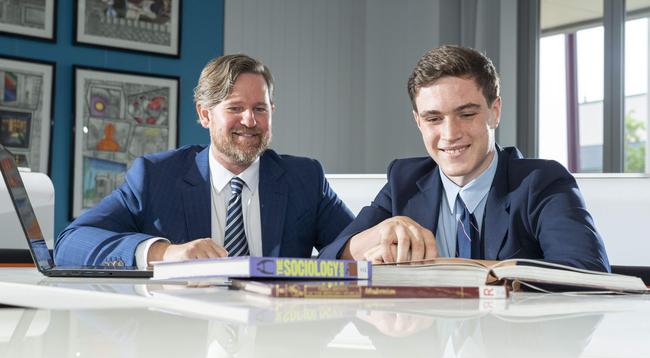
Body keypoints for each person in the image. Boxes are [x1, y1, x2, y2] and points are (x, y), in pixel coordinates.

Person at [319, 45, 610, 272]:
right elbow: (325, 264)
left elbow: (588, 273)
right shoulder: (404, 182)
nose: (450, 133)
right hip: (421, 347)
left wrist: (450, 271)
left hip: (517, 346)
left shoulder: (541, 183)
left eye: (466, 114)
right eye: (433, 118)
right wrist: (378, 236)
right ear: (418, 122)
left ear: (494, 112)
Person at [55, 54, 354, 268]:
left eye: (260, 109)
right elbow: (70, 243)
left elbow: (351, 245)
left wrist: (380, 236)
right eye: (235, 107)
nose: (249, 120)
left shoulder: (305, 178)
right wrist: (165, 253)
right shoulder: (156, 177)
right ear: (204, 114)